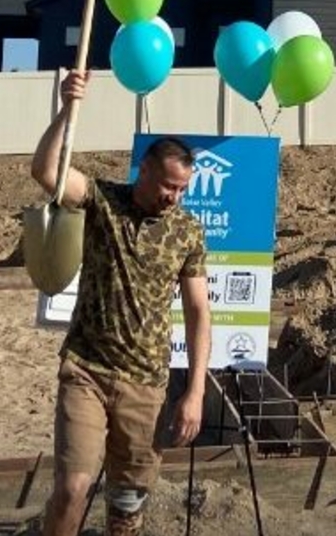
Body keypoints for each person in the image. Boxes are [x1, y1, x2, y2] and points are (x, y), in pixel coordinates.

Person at [30, 70, 212, 536]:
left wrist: (193, 392)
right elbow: (46, 173)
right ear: (144, 170)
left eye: (181, 190)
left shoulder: (187, 232)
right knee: (72, 488)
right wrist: (67, 110)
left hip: (145, 384)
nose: (173, 197)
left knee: (126, 510)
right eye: (167, 185)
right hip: (86, 370)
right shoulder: (102, 202)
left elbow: (198, 314)